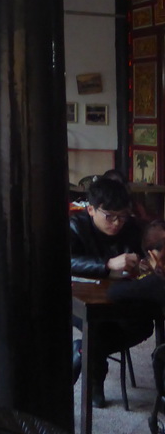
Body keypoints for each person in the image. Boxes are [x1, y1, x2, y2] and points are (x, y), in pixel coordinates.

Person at [69, 175, 151, 408]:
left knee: (144, 325)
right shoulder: (76, 226)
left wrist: (144, 262)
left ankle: (83, 350)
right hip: (82, 300)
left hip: (121, 300)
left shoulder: (131, 228)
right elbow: (64, 260)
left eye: (122, 216)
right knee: (97, 326)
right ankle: (96, 382)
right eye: (110, 216)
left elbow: (144, 252)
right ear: (92, 210)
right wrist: (106, 265)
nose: (117, 223)